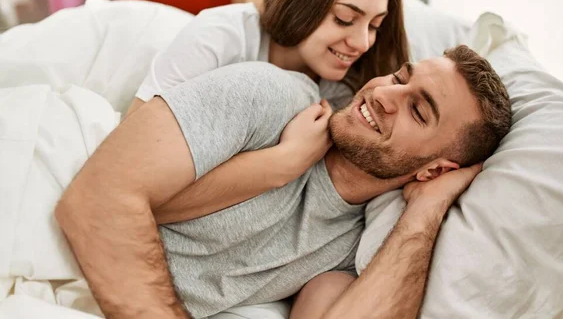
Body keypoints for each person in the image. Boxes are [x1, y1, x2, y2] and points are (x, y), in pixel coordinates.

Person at [55, 45, 512, 318]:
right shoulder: (273, 98)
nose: (384, 94)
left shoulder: (354, 250)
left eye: (418, 109)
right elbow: (96, 197)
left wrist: (426, 210)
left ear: (434, 169)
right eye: (399, 77)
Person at [122, 0, 410, 206]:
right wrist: (284, 162)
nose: (362, 43)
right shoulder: (222, 37)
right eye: (343, 19)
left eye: (375, 25)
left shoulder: (346, 95)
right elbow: (126, 160)